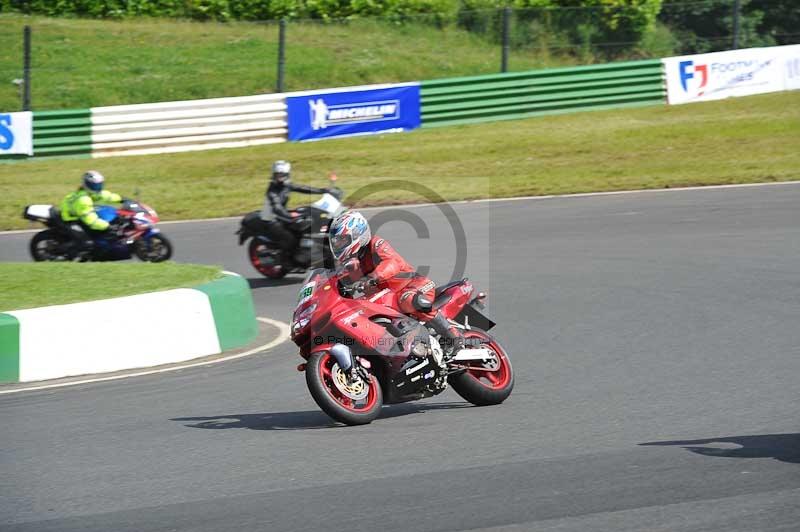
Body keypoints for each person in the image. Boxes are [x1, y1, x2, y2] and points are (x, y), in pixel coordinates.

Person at [328, 210, 471, 358]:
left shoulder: (376, 244)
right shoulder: (354, 263)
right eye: (336, 243)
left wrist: (372, 277)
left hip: (413, 284)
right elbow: (342, 279)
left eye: (343, 241)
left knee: (408, 299)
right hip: (387, 299)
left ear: (358, 234)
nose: (339, 245)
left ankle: (453, 335)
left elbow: (392, 263)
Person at [260, 160, 331, 262]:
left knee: (309, 219)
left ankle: (310, 249)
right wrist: (291, 216)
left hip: (282, 215)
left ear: (286, 174)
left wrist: (322, 190)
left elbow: (302, 188)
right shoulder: (272, 191)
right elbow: (277, 208)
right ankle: (290, 259)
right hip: (271, 220)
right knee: (291, 239)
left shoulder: (286, 185)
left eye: (281, 174)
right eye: (277, 175)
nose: (279, 177)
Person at [59, 170, 123, 256]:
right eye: (94, 185)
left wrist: (122, 199)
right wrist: (108, 226)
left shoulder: (90, 193)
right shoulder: (83, 200)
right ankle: (75, 256)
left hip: (78, 213)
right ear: (87, 184)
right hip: (70, 219)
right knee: (87, 244)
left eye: (99, 185)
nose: (98, 187)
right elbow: (91, 221)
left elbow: (106, 196)